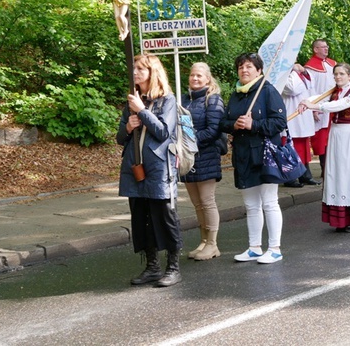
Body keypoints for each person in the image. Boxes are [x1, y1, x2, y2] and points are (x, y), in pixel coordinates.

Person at [116, 54, 183, 287]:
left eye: (140, 69)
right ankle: (152, 266)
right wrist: (128, 126)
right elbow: (119, 138)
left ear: (152, 73)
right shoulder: (132, 101)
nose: (135, 72)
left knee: (164, 217)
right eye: (134, 68)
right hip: (135, 169)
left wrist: (143, 111)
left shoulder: (168, 101)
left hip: (158, 170)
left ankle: (173, 267)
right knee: (141, 218)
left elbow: (164, 132)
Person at [220, 53, 287, 264]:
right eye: (240, 67)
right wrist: (234, 125)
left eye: (249, 67)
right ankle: (254, 247)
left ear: (259, 70)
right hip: (243, 154)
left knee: (269, 202)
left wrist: (254, 125)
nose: (244, 70)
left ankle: (274, 248)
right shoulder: (236, 94)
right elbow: (224, 122)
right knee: (251, 204)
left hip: (265, 154)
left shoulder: (267, 91)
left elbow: (279, 122)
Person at [301, 63, 350, 232]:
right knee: (337, 172)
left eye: (341, 74)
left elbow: (340, 105)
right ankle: (340, 219)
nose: (338, 77)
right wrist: (306, 101)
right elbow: (319, 97)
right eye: (335, 74)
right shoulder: (333, 92)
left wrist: (316, 106)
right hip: (336, 134)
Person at [181, 62, 224, 261]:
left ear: (208, 78)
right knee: (197, 204)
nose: (195, 79)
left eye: (199, 76)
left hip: (206, 156)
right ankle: (204, 241)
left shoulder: (213, 100)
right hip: (188, 158)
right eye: (192, 75)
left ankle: (213, 244)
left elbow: (214, 130)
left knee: (207, 201)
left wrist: (189, 141)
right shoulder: (183, 100)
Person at [282, 63, 320, 187]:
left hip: (303, 114)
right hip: (291, 113)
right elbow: (292, 88)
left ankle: (305, 175)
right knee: (291, 147)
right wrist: (293, 70)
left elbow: (310, 84)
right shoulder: (280, 73)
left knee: (304, 148)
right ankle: (290, 177)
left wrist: (303, 71)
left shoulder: (297, 73)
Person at [304, 39, 337, 177]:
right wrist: (313, 108)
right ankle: (324, 169)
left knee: (332, 138)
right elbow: (309, 89)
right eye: (322, 47)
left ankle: (331, 167)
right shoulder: (310, 67)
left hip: (334, 106)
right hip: (319, 106)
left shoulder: (333, 64)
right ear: (315, 49)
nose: (326, 49)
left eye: (326, 46)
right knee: (321, 140)